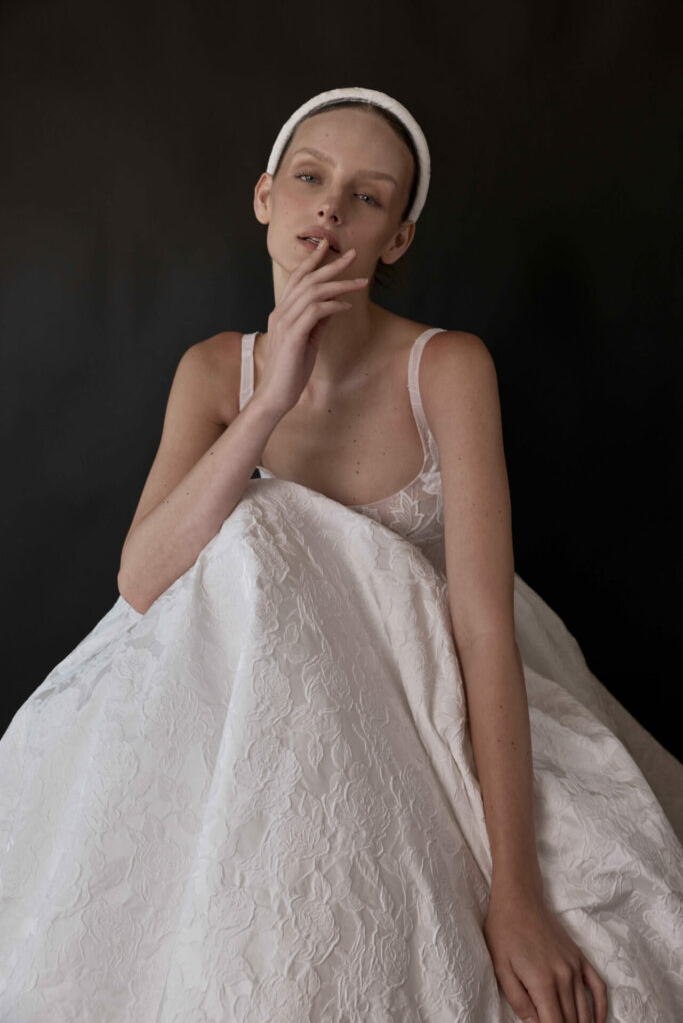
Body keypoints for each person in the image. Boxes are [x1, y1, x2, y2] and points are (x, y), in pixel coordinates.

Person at [0, 87, 681, 1023]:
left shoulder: (448, 367)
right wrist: (271, 398)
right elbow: (143, 581)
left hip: (426, 691)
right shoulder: (214, 370)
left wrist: (515, 895)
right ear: (265, 197)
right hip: (255, 713)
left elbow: (482, 627)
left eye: (366, 196)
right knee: (250, 525)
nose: (330, 208)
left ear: (396, 238)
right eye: (310, 179)